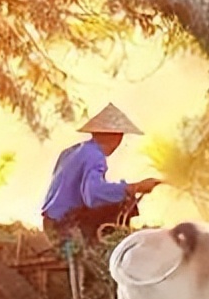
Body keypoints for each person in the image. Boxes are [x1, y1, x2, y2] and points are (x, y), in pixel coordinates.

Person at [40, 103, 163, 243]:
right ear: (115, 137)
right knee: (123, 201)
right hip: (63, 225)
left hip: (51, 221)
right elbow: (93, 194)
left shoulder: (72, 151)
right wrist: (133, 188)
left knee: (119, 197)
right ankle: (111, 243)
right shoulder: (95, 156)